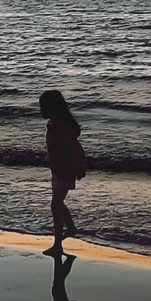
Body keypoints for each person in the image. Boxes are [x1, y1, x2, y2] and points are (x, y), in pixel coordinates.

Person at [40, 89, 85, 255]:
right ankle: (71, 228)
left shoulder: (61, 127)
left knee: (55, 204)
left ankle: (57, 244)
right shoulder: (54, 125)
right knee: (58, 202)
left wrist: (80, 168)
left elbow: (76, 150)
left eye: (43, 107)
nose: (41, 110)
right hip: (58, 170)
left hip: (65, 170)